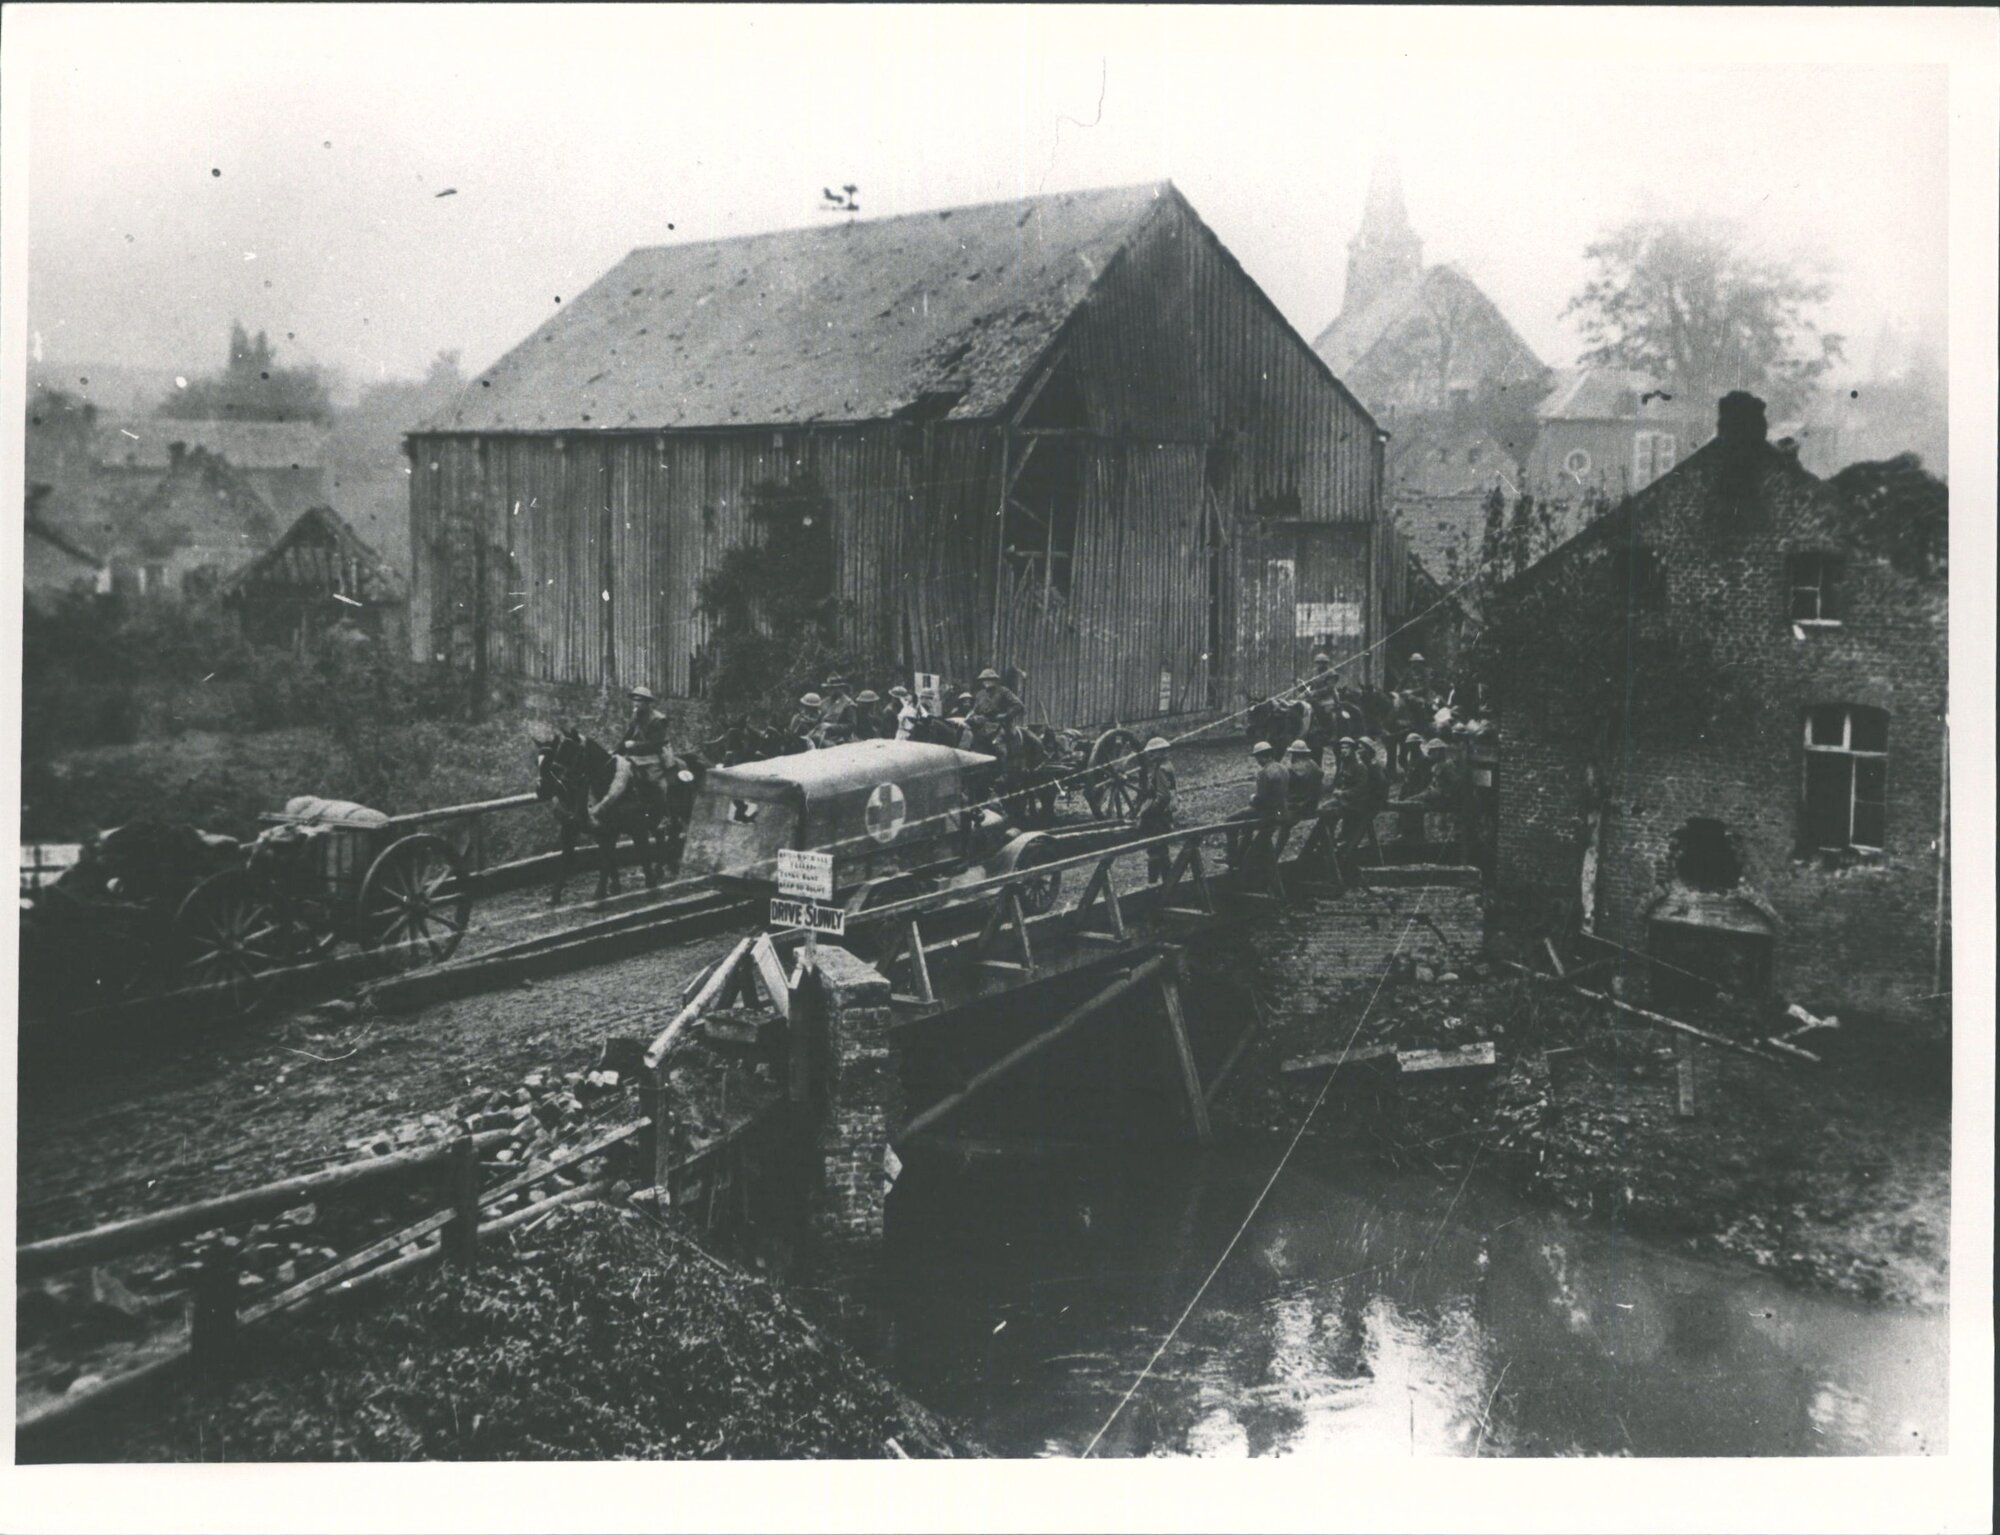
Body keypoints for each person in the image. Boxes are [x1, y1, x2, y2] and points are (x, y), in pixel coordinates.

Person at [618, 685, 679, 809]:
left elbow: (656, 744)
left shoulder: (658, 719)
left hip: (655, 755)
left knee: (655, 781)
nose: (636, 703)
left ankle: (663, 811)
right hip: (637, 754)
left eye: (639, 700)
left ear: (647, 702)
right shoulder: (635, 715)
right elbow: (627, 736)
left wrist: (634, 745)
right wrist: (617, 751)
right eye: (634, 700)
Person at [1133, 736, 1178, 882]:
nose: (1150, 756)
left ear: (1161, 752)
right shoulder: (1167, 765)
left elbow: (1163, 797)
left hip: (1158, 816)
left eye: (1153, 753)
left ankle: (1154, 882)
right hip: (1165, 814)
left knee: (1154, 849)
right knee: (1162, 849)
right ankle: (1167, 882)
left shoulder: (1161, 769)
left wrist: (1147, 812)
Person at [967, 667, 1026, 770]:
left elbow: (1018, 705)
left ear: (995, 680)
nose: (987, 682)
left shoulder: (1003, 691)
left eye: (990, 679)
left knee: (999, 745)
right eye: (984, 680)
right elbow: (975, 709)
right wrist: (969, 716)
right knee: (971, 744)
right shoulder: (980, 694)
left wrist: (1005, 715)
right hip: (982, 725)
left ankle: (1005, 772)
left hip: (999, 724)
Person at [1284, 739, 1323, 823]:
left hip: (1298, 806)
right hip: (1313, 804)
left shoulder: (1294, 768)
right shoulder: (1313, 764)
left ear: (1295, 754)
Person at [818, 676, 858, 745]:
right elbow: (819, 719)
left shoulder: (848, 704)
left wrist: (831, 726)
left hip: (841, 738)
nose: (830, 690)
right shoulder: (824, 702)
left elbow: (852, 726)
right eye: (829, 688)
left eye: (833, 688)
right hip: (822, 734)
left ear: (840, 688)